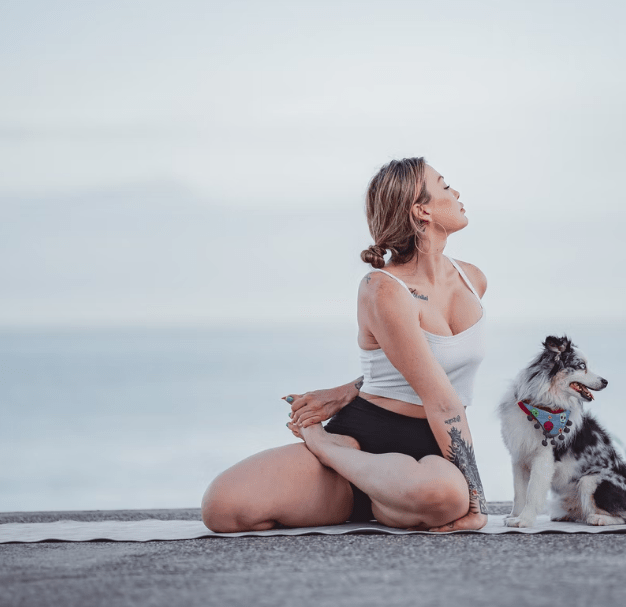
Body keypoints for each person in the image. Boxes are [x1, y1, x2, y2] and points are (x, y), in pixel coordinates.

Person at [201, 157, 489, 532]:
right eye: (446, 186)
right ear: (422, 211)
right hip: (362, 441)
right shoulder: (383, 288)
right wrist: (479, 504)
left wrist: (349, 388)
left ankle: (368, 481)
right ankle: (329, 450)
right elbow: (441, 398)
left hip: (427, 461)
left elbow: (427, 365)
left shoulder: (473, 280)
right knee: (224, 508)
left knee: (445, 496)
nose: (457, 193)